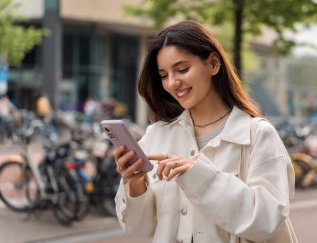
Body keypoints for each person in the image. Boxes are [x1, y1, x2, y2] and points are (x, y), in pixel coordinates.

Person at [113, 20, 298, 243]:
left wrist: (199, 175)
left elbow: (267, 222)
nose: (172, 83)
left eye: (182, 69)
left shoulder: (257, 135)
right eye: (163, 75)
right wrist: (135, 184)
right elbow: (140, 228)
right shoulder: (156, 136)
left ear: (213, 63)